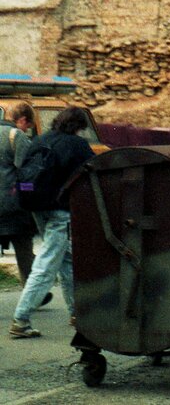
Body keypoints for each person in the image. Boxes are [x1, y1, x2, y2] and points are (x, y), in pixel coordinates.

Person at [10, 106, 93, 339]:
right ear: (78, 126)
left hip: (36, 207)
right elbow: (93, 173)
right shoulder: (77, 145)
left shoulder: (40, 140)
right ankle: (21, 319)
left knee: (66, 260)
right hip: (60, 211)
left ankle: (77, 313)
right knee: (46, 264)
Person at [0, 102, 42, 297]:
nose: (27, 130)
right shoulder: (16, 136)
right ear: (23, 120)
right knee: (24, 250)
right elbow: (27, 175)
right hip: (14, 206)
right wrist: (29, 194)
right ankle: (33, 294)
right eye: (28, 126)